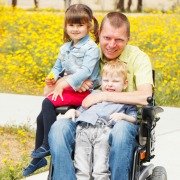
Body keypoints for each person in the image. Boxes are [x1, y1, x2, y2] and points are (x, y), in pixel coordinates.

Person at [49, 12, 153, 180]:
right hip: (86, 120)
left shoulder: (138, 58)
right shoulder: (89, 53)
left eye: (119, 39)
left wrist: (102, 96)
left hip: (123, 121)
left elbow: (145, 96)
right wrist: (70, 80)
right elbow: (50, 91)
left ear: (128, 39)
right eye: (107, 38)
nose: (112, 45)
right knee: (58, 129)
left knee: (120, 131)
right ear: (98, 34)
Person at [23, 4, 100, 177]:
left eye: (80, 25)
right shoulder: (64, 48)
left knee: (47, 103)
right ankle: (38, 158)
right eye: (71, 25)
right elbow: (57, 67)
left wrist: (63, 84)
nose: (75, 29)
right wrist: (51, 77)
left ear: (88, 26)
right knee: (41, 116)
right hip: (71, 89)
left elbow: (86, 72)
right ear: (66, 26)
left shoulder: (91, 49)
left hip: (84, 93)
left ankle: (47, 145)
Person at [58, 61, 137, 180]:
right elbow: (82, 110)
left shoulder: (125, 100)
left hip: (104, 132)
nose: (110, 84)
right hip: (83, 131)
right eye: (106, 81)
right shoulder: (94, 95)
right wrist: (74, 112)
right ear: (101, 81)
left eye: (115, 81)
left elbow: (134, 118)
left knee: (100, 168)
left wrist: (123, 116)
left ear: (125, 84)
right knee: (81, 166)